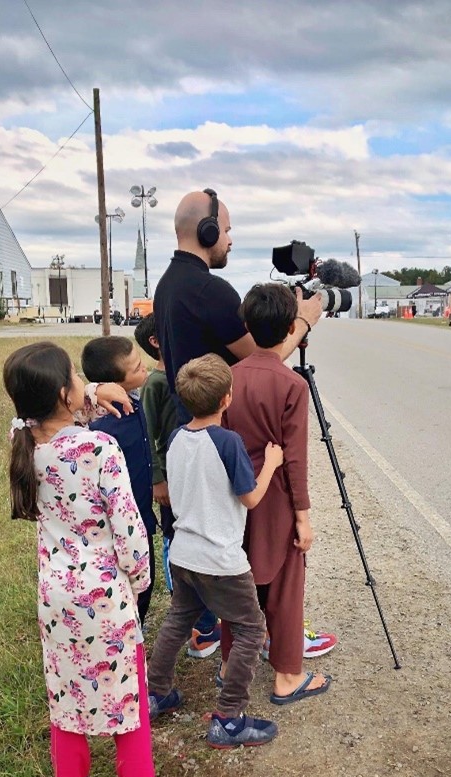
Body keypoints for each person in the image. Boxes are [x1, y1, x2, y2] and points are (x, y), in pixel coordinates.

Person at [3, 341, 199, 777]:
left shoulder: (22, 439)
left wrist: (84, 388)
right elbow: (130, 531)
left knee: (65, 699)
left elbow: (36, 411)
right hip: (104, 592)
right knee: (126, 704)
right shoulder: (98, 448)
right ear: (66, 393)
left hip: (55, 595)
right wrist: (140, 581)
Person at [153, 188, 323, 657]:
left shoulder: (167, 285)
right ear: (207, 231)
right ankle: (265, 634)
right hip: (216, 437)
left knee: (197, 538)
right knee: (237, 540)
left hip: (186, 435)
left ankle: (208, 628)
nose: (229, 239)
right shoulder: (209, 290)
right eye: (226, 230)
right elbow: (266, 361)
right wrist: (304, 320)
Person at [147, 353, 283, 749]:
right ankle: (228, 717)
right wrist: (271, 463)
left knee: (178, 620)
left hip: (184, 552)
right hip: (220, 558)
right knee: (251, 629)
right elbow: (251, 498)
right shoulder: (228, 442)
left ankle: (156, 692)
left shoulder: (176, 438)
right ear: (228, 398)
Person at [223, 283, 333, 705]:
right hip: (276, 498)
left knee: (238, 580)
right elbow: (295, 459)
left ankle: (230, 665)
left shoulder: (229, 379)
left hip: (236, 496)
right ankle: (288, 675)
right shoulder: (292, 385)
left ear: (247, 325)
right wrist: (303, 517)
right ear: (292, 327)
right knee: (286, 585)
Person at [80, 335, 156, 625]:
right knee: (133, 583)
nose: (144, 370)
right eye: (136, 369)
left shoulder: (135, 402)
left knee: (147, 579)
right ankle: (128, 625)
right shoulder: (100, 429)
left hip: (143, 515)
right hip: (120, 524)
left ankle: (138, 624)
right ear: (114, 384)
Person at [133, 314, 178, 595]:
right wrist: (157, 479)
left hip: (187, 470)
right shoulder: (155, 384)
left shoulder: (181, 375)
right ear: (156, 341)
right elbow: (147, 433)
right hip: (168, 474)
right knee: (173, 535)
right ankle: (179, 596)